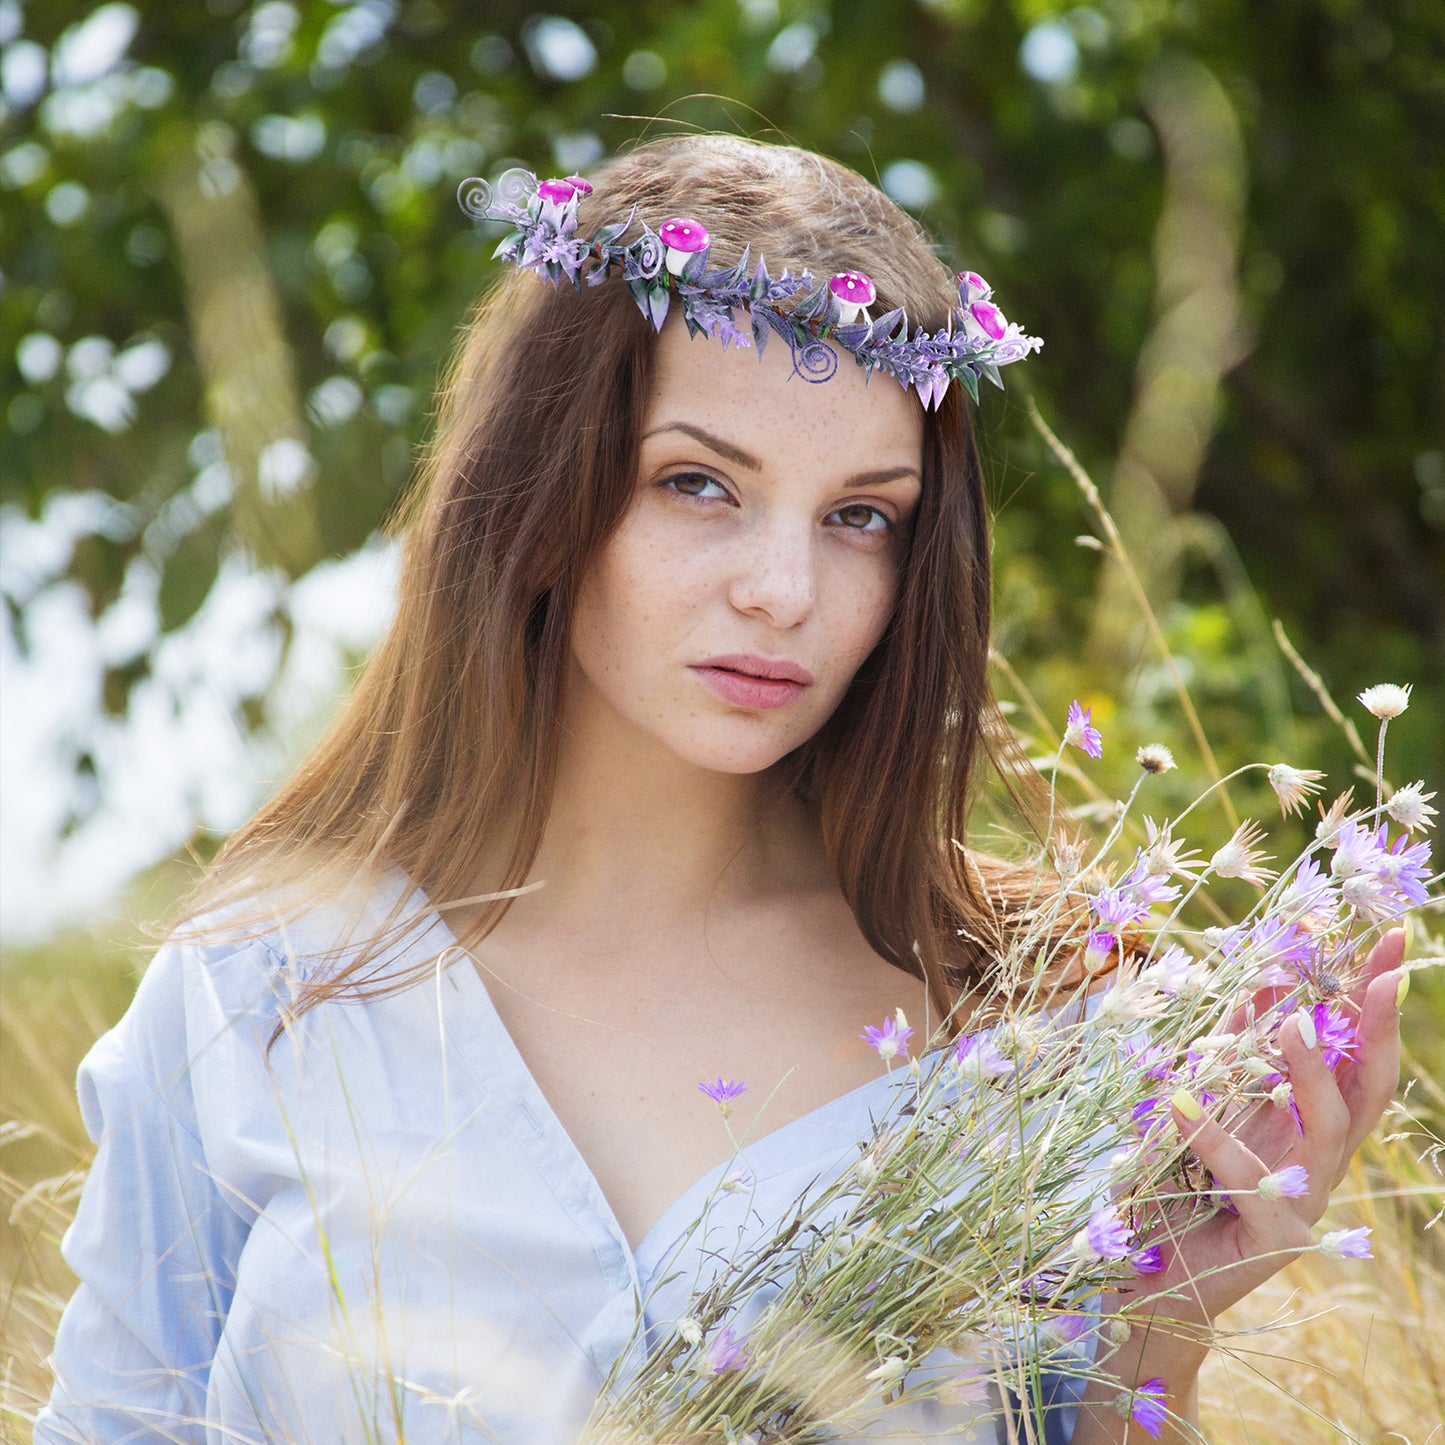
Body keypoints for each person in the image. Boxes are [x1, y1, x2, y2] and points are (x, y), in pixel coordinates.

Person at [33, 133, 1405, 1445]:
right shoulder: (260, 989)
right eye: (699, 484)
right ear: (541, 485)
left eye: (860, 516)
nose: (784, 591)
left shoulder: (1032, 1019)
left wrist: (1154, 1342)